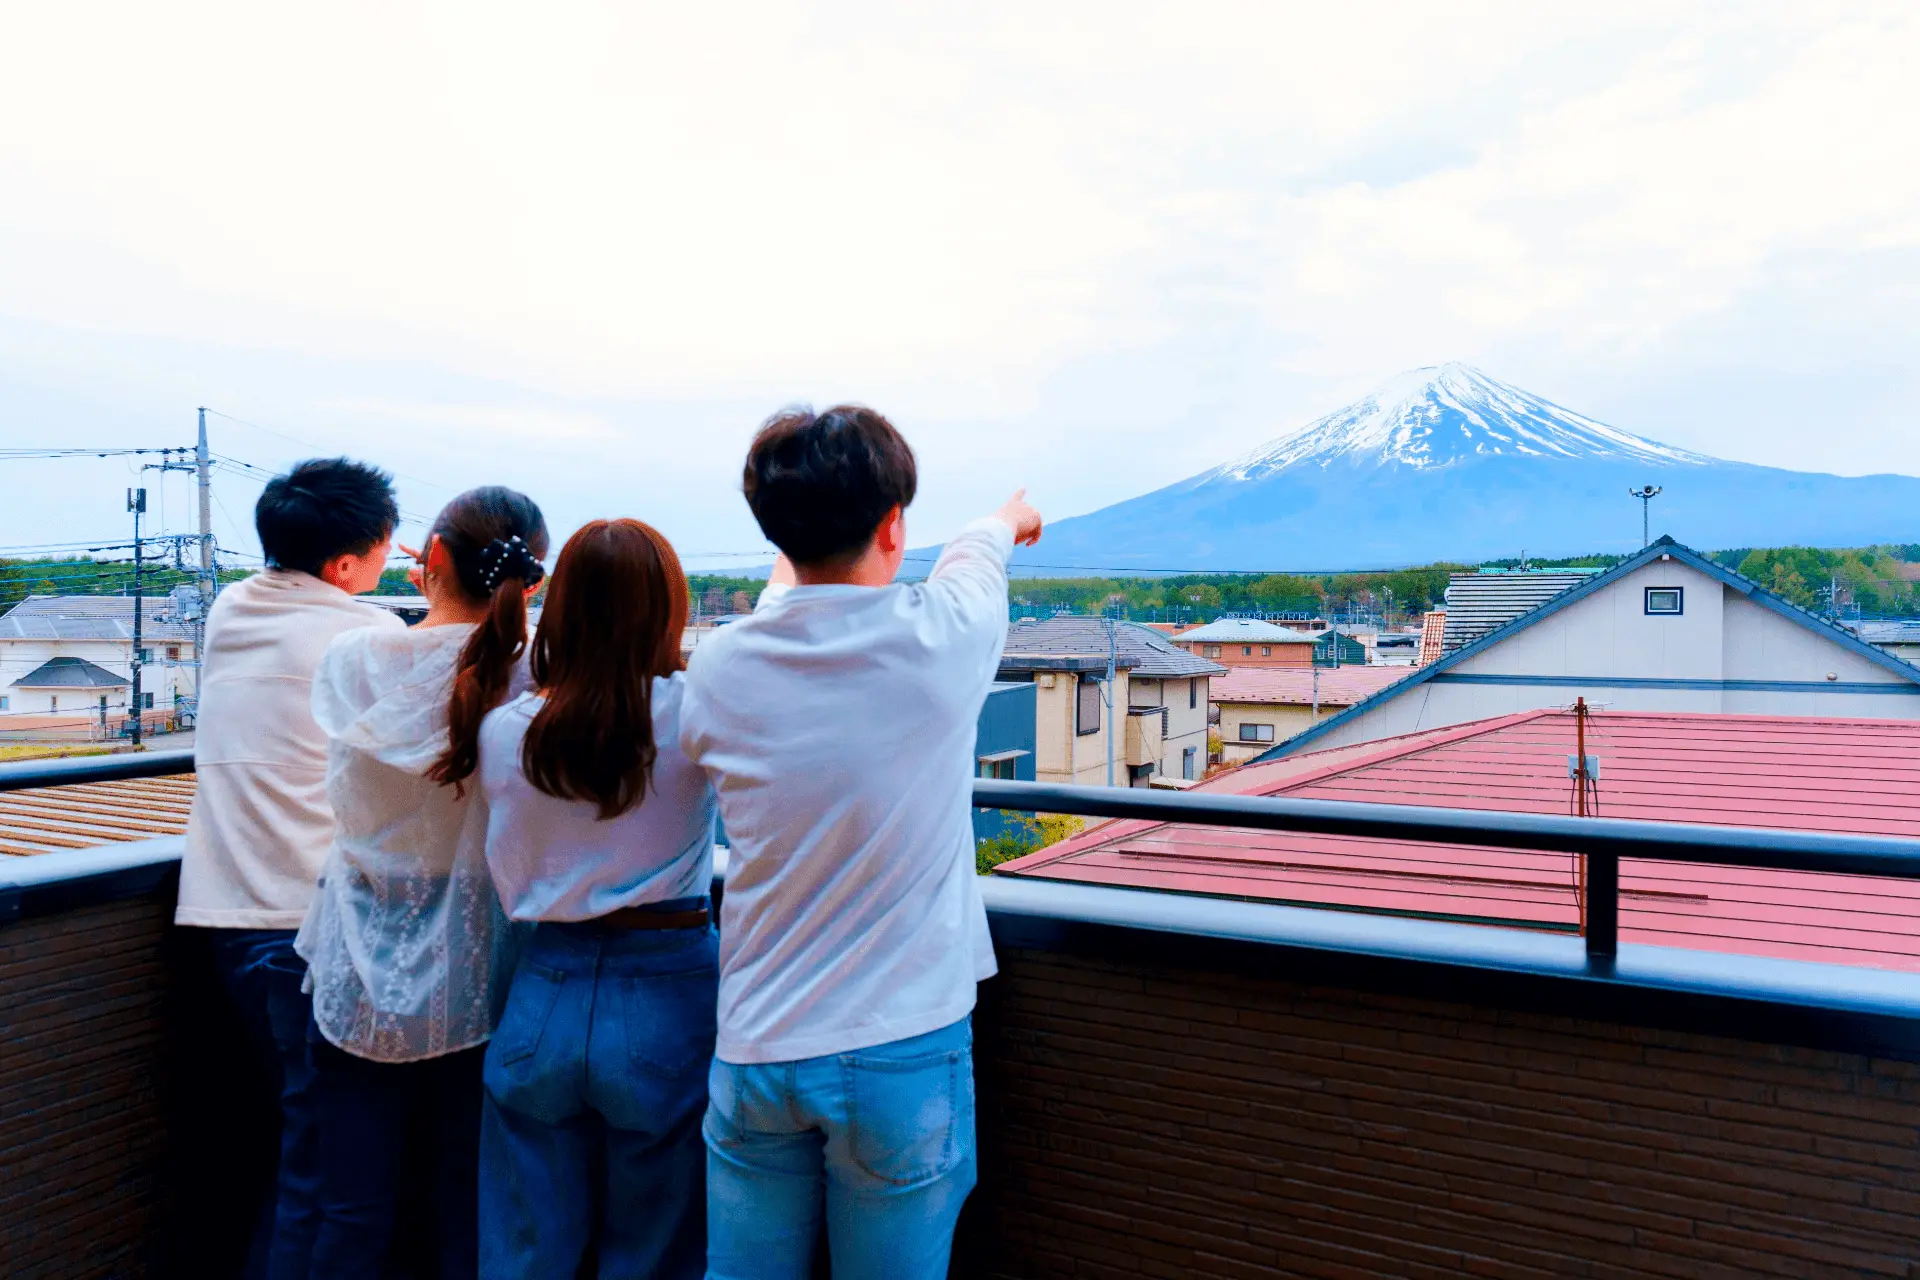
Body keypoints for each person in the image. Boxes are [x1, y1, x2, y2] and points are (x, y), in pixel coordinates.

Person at [679, 404, 1043, 1280]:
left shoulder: (722, 665)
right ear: (891, 527)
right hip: (902, 1050)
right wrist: (1005, 520)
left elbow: (793, 601)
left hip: (756, 1049)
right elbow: (973, 557)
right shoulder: (939, 641)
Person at [294, 485, 548, 1279]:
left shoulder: (353, 661)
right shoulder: (536, 672)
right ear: (530, 581)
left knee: (350, 1211)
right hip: (482, 970)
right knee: (463, 1208)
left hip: (355, 966)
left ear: (430, 558)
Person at [176, 457, 404, 1280]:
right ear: (345, 565)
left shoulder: (230, 609)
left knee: (297, 1152)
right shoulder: (369, 636)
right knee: (338, 1180)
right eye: (383, 547)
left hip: (225, 923)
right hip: (309, 932)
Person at [475, 518, 718, 1279]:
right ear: (668, 607)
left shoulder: (504, 730)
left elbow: (510, 871)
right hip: (671, 982)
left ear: (564, 606)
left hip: (543, 982)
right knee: (656, 1249)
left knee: (524, 1248)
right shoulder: (695, 714)